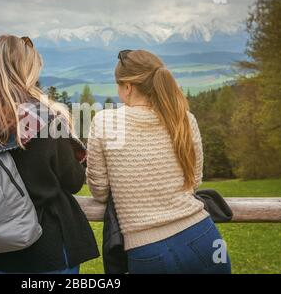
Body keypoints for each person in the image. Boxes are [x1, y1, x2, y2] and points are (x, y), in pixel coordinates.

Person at [0, 34, 99, 274]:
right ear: (26, 70)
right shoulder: (45, 119)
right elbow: (73, 181)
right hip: (51, 245)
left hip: (0, 250)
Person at [86, 49, 231, 274]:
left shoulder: (105, 122)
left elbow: (100, 192)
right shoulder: (183, 118)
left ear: (128, 87)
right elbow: (194, 180)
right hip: (206, 238)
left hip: (148, 251)